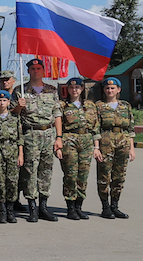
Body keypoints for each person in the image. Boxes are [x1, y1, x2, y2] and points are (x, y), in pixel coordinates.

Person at [13, 58, 62, 222]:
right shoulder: (20, 90)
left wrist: (59, 138)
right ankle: (32, 207)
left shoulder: (52, 90)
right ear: (28, 71)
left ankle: (43, 206)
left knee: (46, 171)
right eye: (32, 68)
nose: (36, 71)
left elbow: (57, 115)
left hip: (48, 134)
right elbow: (14, 115)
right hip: (31, 135)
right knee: (30, 171)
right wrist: (19, 106)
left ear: (43, 70)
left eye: (38, 68)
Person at [93, 77, 134, 219]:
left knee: (119, 176)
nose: (110, 90)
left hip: (123, 142)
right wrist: (96, 148)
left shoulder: (125, 106)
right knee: (104, 175)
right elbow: (95, 128)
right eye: (107, 88)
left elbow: (130, 129)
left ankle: (115, 206)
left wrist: (132, 148)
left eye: (113, 88)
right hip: (105, 142)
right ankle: (105, 207)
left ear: (119, 90)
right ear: (104, 90)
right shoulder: (98, 106)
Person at [58, 77, 97, 220]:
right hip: (69, 140)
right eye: (71, 88)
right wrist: (59, 144)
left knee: (83, 176)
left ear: (82, 89)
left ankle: (79, 206)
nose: (74, 90)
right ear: (67, 89)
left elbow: (95, 127)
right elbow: (58, 126)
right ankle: (70, 207)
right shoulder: (62, 105)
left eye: (77, 87)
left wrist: (96, 146)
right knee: (70, 175)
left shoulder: (90, 106)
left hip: (86, 141)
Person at [0, 90, 23, 224]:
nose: (2, 103)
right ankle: (1, 211)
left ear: (9, 102)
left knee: (12, 182)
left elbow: (20, 138)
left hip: (13, 150)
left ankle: (10, 210)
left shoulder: (15, 118)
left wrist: (21, 154)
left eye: (4, 101)